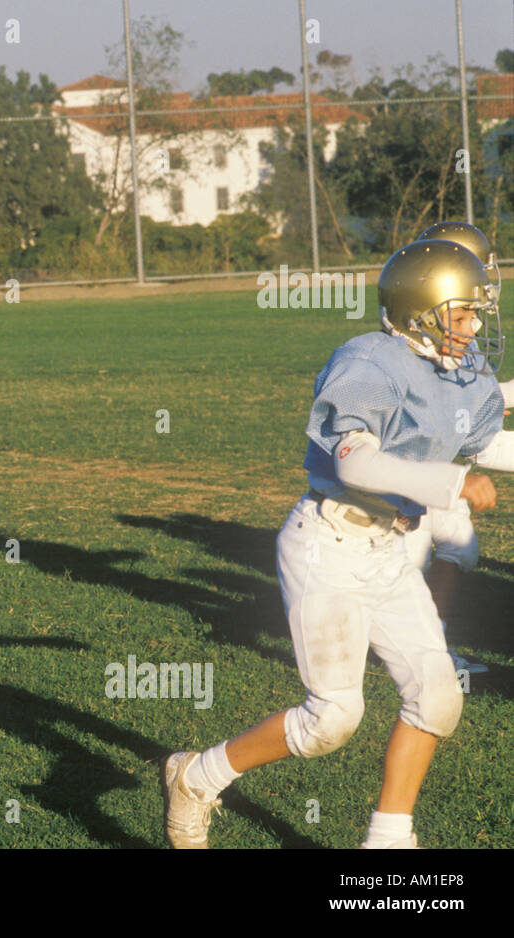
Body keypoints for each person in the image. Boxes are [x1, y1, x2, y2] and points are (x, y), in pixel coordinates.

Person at [164, 238, 513, 849]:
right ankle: (198, 776)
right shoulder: (368, 363)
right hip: (327, 543)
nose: (475, 326)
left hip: (389, 550)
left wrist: (464, 470)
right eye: (462, 314)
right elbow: (354, 463)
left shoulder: (455, 368)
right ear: (420, 311)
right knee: (331, 719)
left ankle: (387, 844)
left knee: (437, 696)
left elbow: (484, 442)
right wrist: (451, 482)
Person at [402, 222, 509, 676]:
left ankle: (433, 645)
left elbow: (477, 405)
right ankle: (404, 654)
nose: (489, 280)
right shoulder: (421, 347)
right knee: (406, 563)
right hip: (407, 477)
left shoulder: (453, 333)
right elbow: (479, 440)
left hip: (438, 469)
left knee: (457, 547)